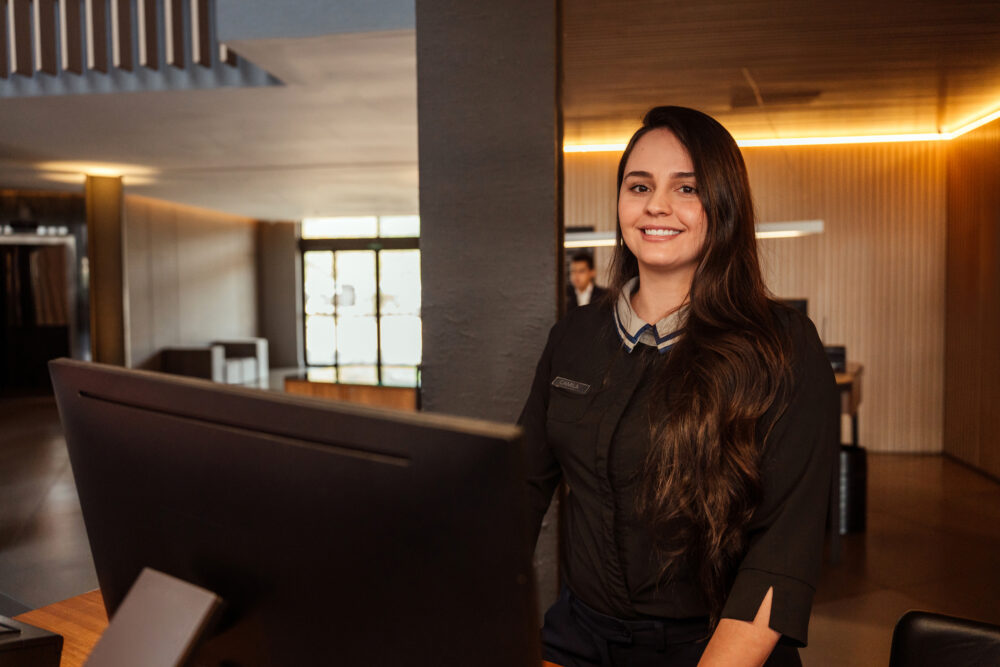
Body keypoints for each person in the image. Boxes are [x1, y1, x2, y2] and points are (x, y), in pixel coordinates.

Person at [519, 106, 838, 667]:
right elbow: (517, 490)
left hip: (712, 648)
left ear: (724, 204)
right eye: (639, 186)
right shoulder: (573, 337)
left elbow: (781, 555)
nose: (656, 205)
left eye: (686, 188)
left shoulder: (784, 348)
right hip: (577, 639)